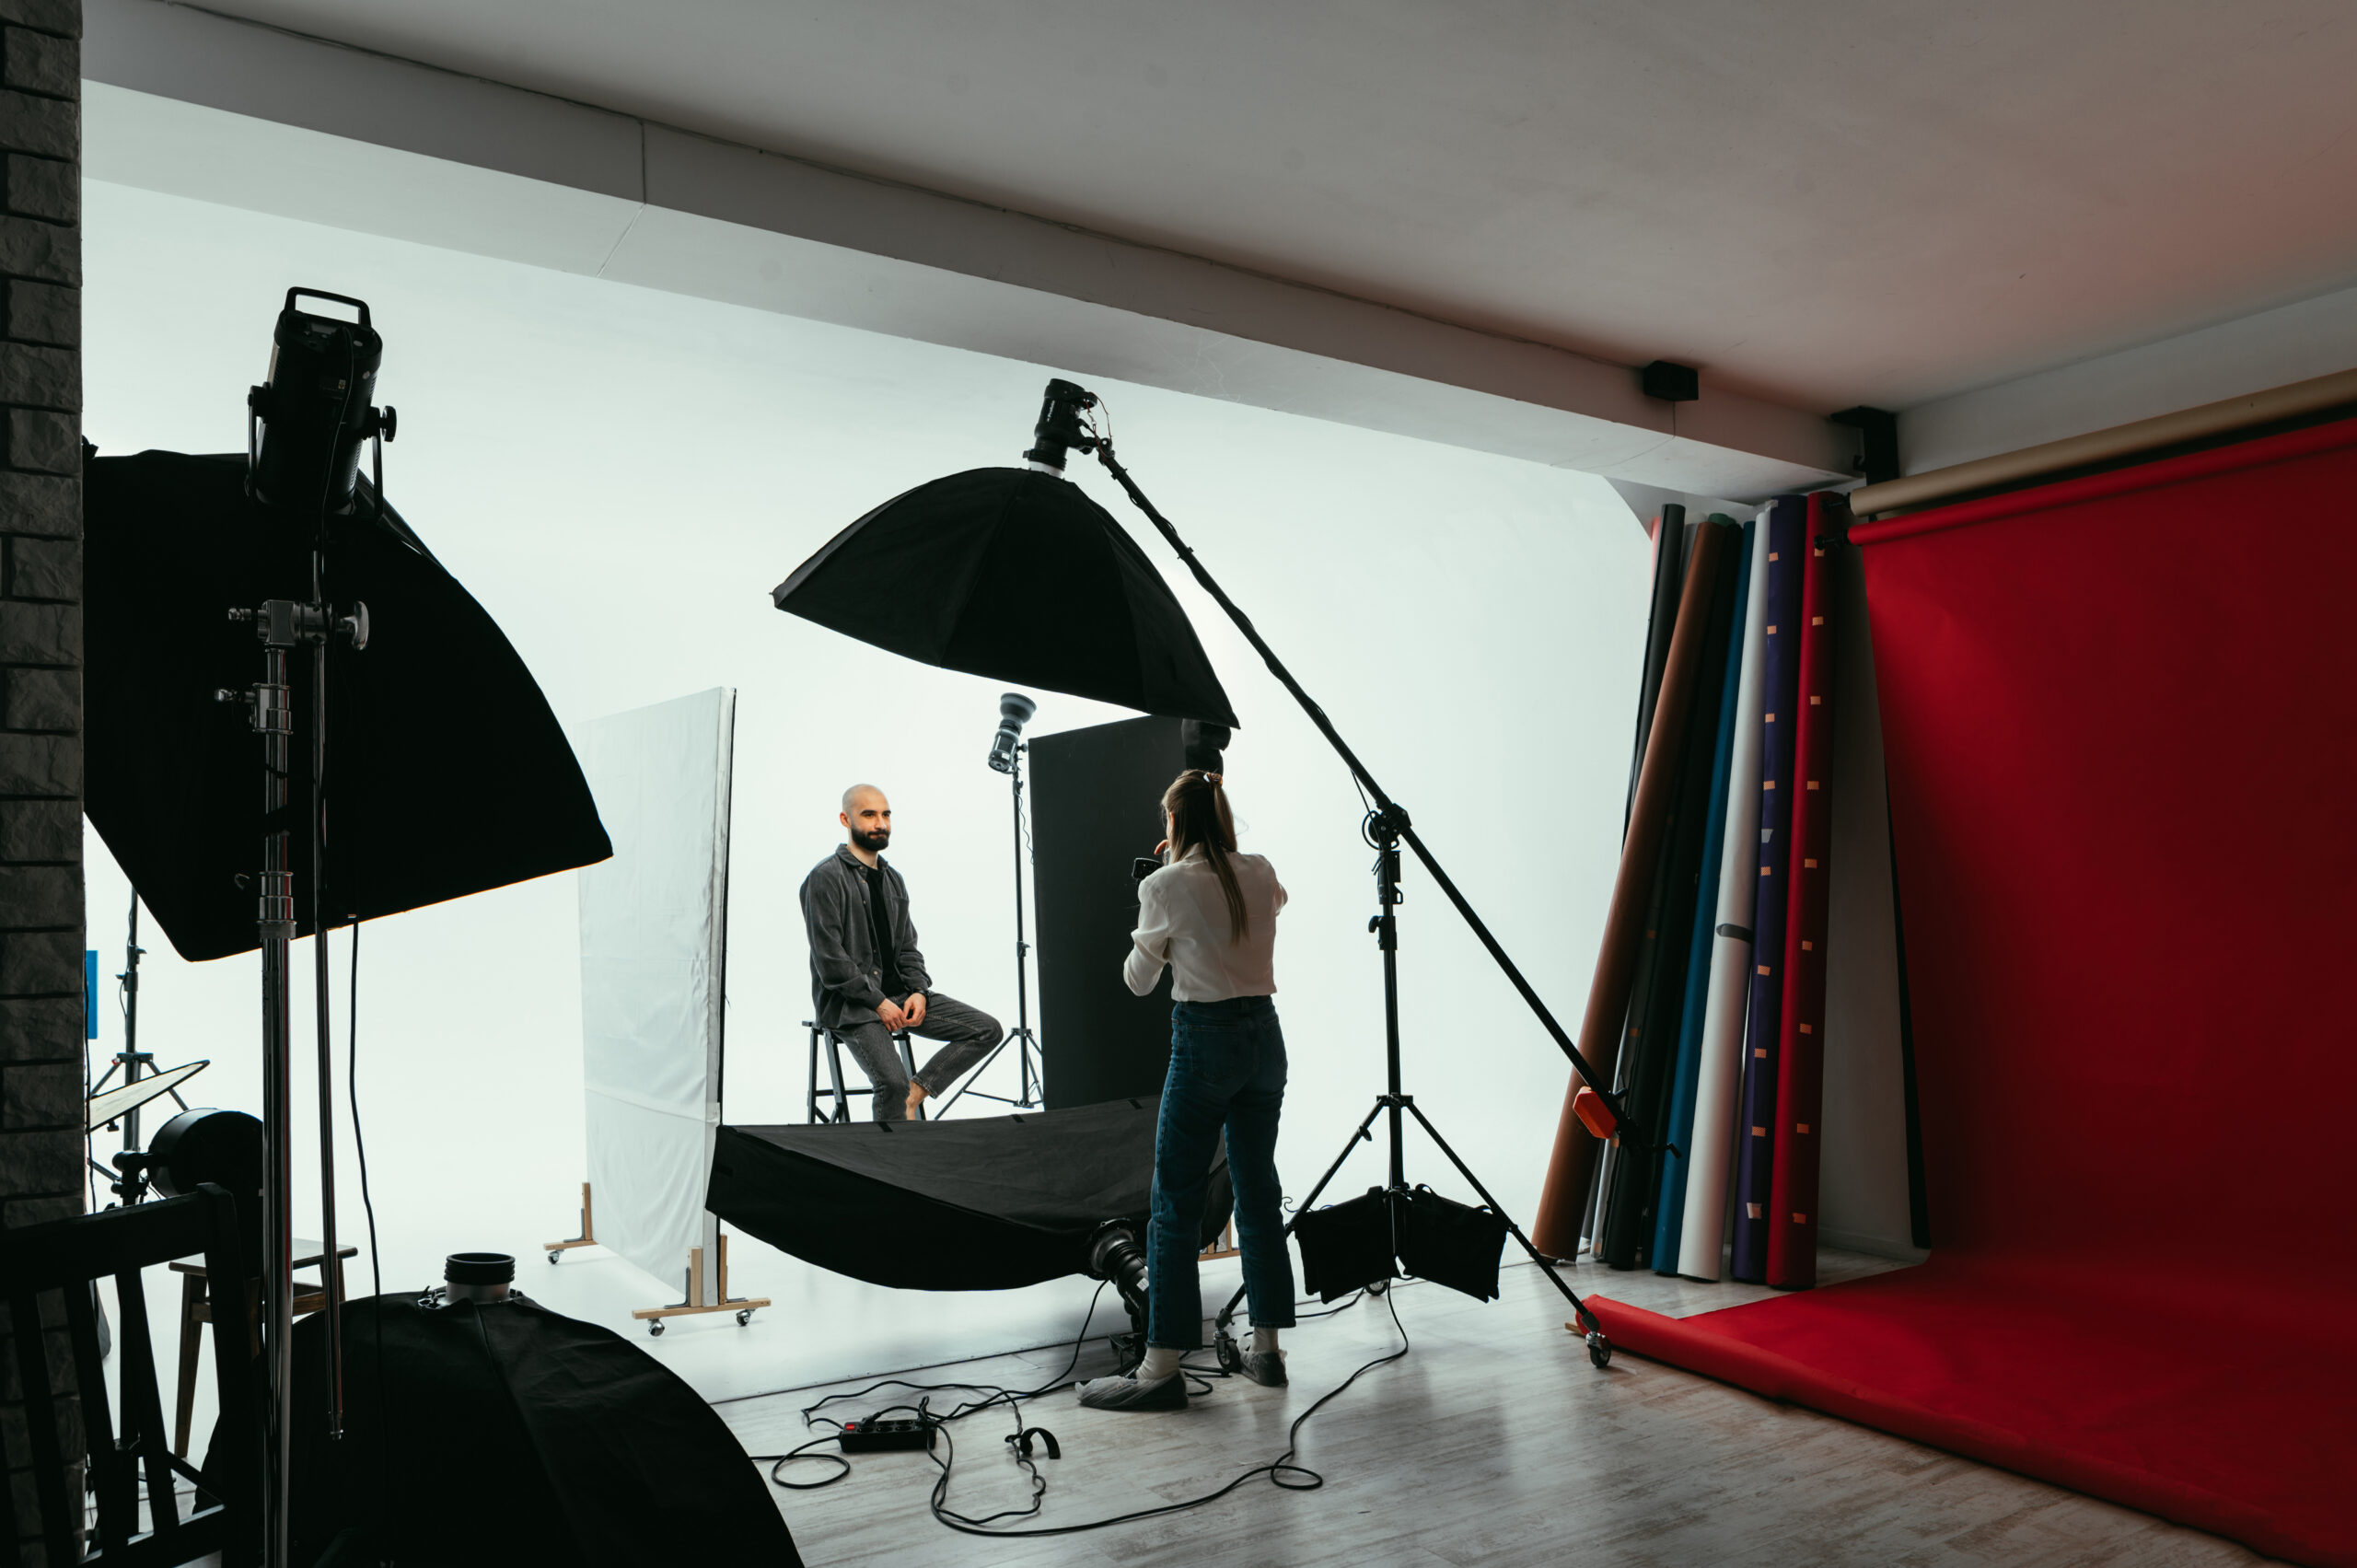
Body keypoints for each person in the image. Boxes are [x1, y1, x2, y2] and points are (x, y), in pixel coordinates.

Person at [1081, 769, 1295, 1411]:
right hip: (1265, 1041)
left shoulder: (1163, 884)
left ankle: (1161, 1365)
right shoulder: (1259, 869)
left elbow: (1137, 980)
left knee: (1174, 1200)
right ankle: (1268, 1352)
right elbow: (1274, 902)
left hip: (1205, 1043)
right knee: (1258, 1194)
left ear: (1172, 823)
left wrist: (1157, 897)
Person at [800, 784, 1002, 1122]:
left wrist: (920, 992)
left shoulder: (894, 880)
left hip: (901, 995)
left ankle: (916, 1094)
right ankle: (890, 1162)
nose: (880, 823)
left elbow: (908, 948)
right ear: (845, 819)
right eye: (869, 815)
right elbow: (830, 962)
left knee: (987, 1030)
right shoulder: (824, 878)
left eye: (885, 814)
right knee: (891, 1083)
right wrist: (878, 1002)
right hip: (853, 1005)